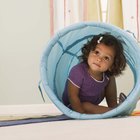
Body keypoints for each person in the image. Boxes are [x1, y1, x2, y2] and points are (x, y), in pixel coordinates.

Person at [62, 33, 127, 114]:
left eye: (106, 58)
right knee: (86, 106)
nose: (99, 59)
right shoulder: (78, 71)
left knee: (110, 77)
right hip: (74, 104)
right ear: (89, 52)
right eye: (97, 52)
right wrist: (80, 115)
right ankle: (115, 111)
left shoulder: (106, 75)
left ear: (112, 66)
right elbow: (72, 96)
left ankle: (114, 106)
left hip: (94, 99)